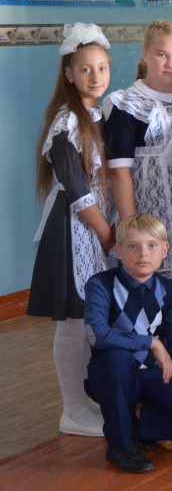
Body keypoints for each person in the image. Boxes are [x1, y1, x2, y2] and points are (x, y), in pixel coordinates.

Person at [29, 23, 116, 438]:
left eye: (102, 68)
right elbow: (78, 190)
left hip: (96, 228)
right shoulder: (66, 123)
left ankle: (85, 398)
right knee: (73, 321)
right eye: (85, 69)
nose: (95, 76)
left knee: (88, 320)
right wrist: (107, 235)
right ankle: (72, 409)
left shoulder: (99, 115)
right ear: (68, 73)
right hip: (75, 231)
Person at [84, 213, 172, 474]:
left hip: (152, 375)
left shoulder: (169, 290)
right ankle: (120, 446)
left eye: (152, 246)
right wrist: (151, 343)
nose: (143, 254)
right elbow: (97, 334)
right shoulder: (100, 284)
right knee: (117, 358)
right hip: (113, 376)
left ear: (165, 250)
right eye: (133, 246)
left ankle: (137, 425)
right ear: (118, 251)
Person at [104, 20, 172, 278]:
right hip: (149, 212)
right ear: (145, 54)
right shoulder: (127, 104)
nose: (171, 63)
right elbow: (119, 173)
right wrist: (133, 229)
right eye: (162, 55)